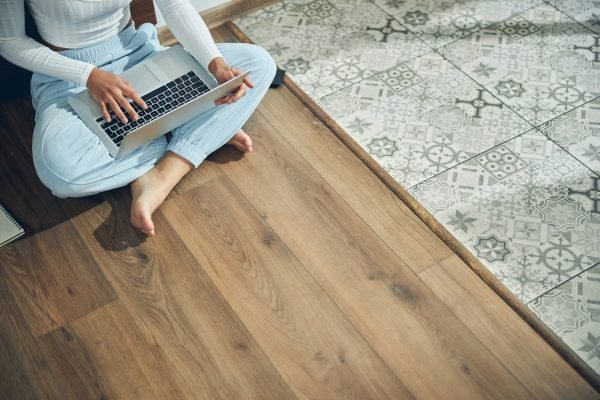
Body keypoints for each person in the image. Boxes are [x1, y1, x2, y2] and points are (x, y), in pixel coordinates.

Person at [0, 0, 276, 236]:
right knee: (58, 172)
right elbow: (8, 41)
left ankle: (164, 174)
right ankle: (195, 129)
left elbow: (174, 4)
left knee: (259, 63)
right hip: (69, 77)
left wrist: (215, 63)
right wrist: (88, 75)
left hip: (138, 53)